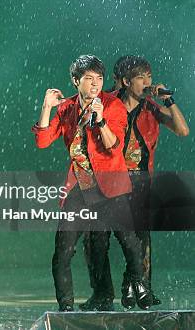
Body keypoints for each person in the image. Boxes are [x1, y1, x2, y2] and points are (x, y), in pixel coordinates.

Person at [32, 54, 150, 311]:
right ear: (76, 81)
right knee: (64, 249)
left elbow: (114, 147)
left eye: (99, 78)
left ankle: (139, 283)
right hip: (80, 186)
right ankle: (66, 308)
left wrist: (101, 121)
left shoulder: (113, 105)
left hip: (111, 184)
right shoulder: (67, 108)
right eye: (89, 79)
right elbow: (42, 141)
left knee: (129, 241)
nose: (95, 84)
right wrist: (46, 107)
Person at [81, 55, 189, 310]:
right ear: (126, 81)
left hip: (140, 180)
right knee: (96, 237)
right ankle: (102, 293)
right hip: (108, 178)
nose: (147, 82)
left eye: (149, 77)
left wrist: (168, 99)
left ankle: (139, 288)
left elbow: (183, 130)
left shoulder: (151, 107)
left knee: (141, 237)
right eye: (142, 77)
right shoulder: (106, 102)